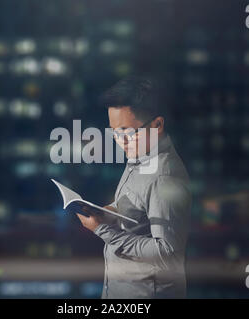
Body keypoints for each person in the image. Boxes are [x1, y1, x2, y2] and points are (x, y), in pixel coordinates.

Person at [76, 76, 192, 298]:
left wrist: (103, 230)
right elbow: (138, 209)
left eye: (127, 132)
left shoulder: (163, 177)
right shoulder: (140, 156)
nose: (120, 141)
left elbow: (167, 255)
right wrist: (108, 212)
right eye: (114, 132)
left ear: (157, 125)